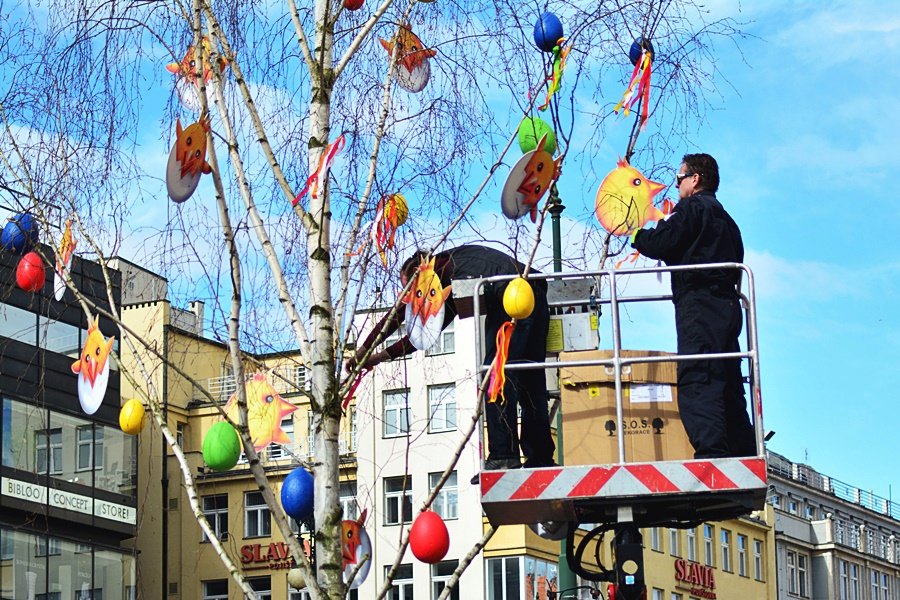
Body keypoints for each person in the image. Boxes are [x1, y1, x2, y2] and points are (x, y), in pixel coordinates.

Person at [347, 245, 556, 478]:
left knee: (495, 378)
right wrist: (374, 357)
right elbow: (422, 336)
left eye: (412, 289)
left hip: (509, 297)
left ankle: (503, 456)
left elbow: (397, 315)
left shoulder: (446, 268)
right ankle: (540, 456)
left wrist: (363, 350)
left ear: (420, 272)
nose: (415, 299)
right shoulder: (456, 274)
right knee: (530, 380)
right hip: (534, 293)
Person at [630, 153, 756, 459]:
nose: (677, 186)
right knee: (727, 376)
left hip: (698, 306)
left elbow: (665, 241)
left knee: (699, 375)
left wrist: (638, 235)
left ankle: (711, 451)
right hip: (728, 309)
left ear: (695, 179)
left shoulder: (692, 209)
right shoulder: (728, 222)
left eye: (679, 179)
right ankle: (743, 447)